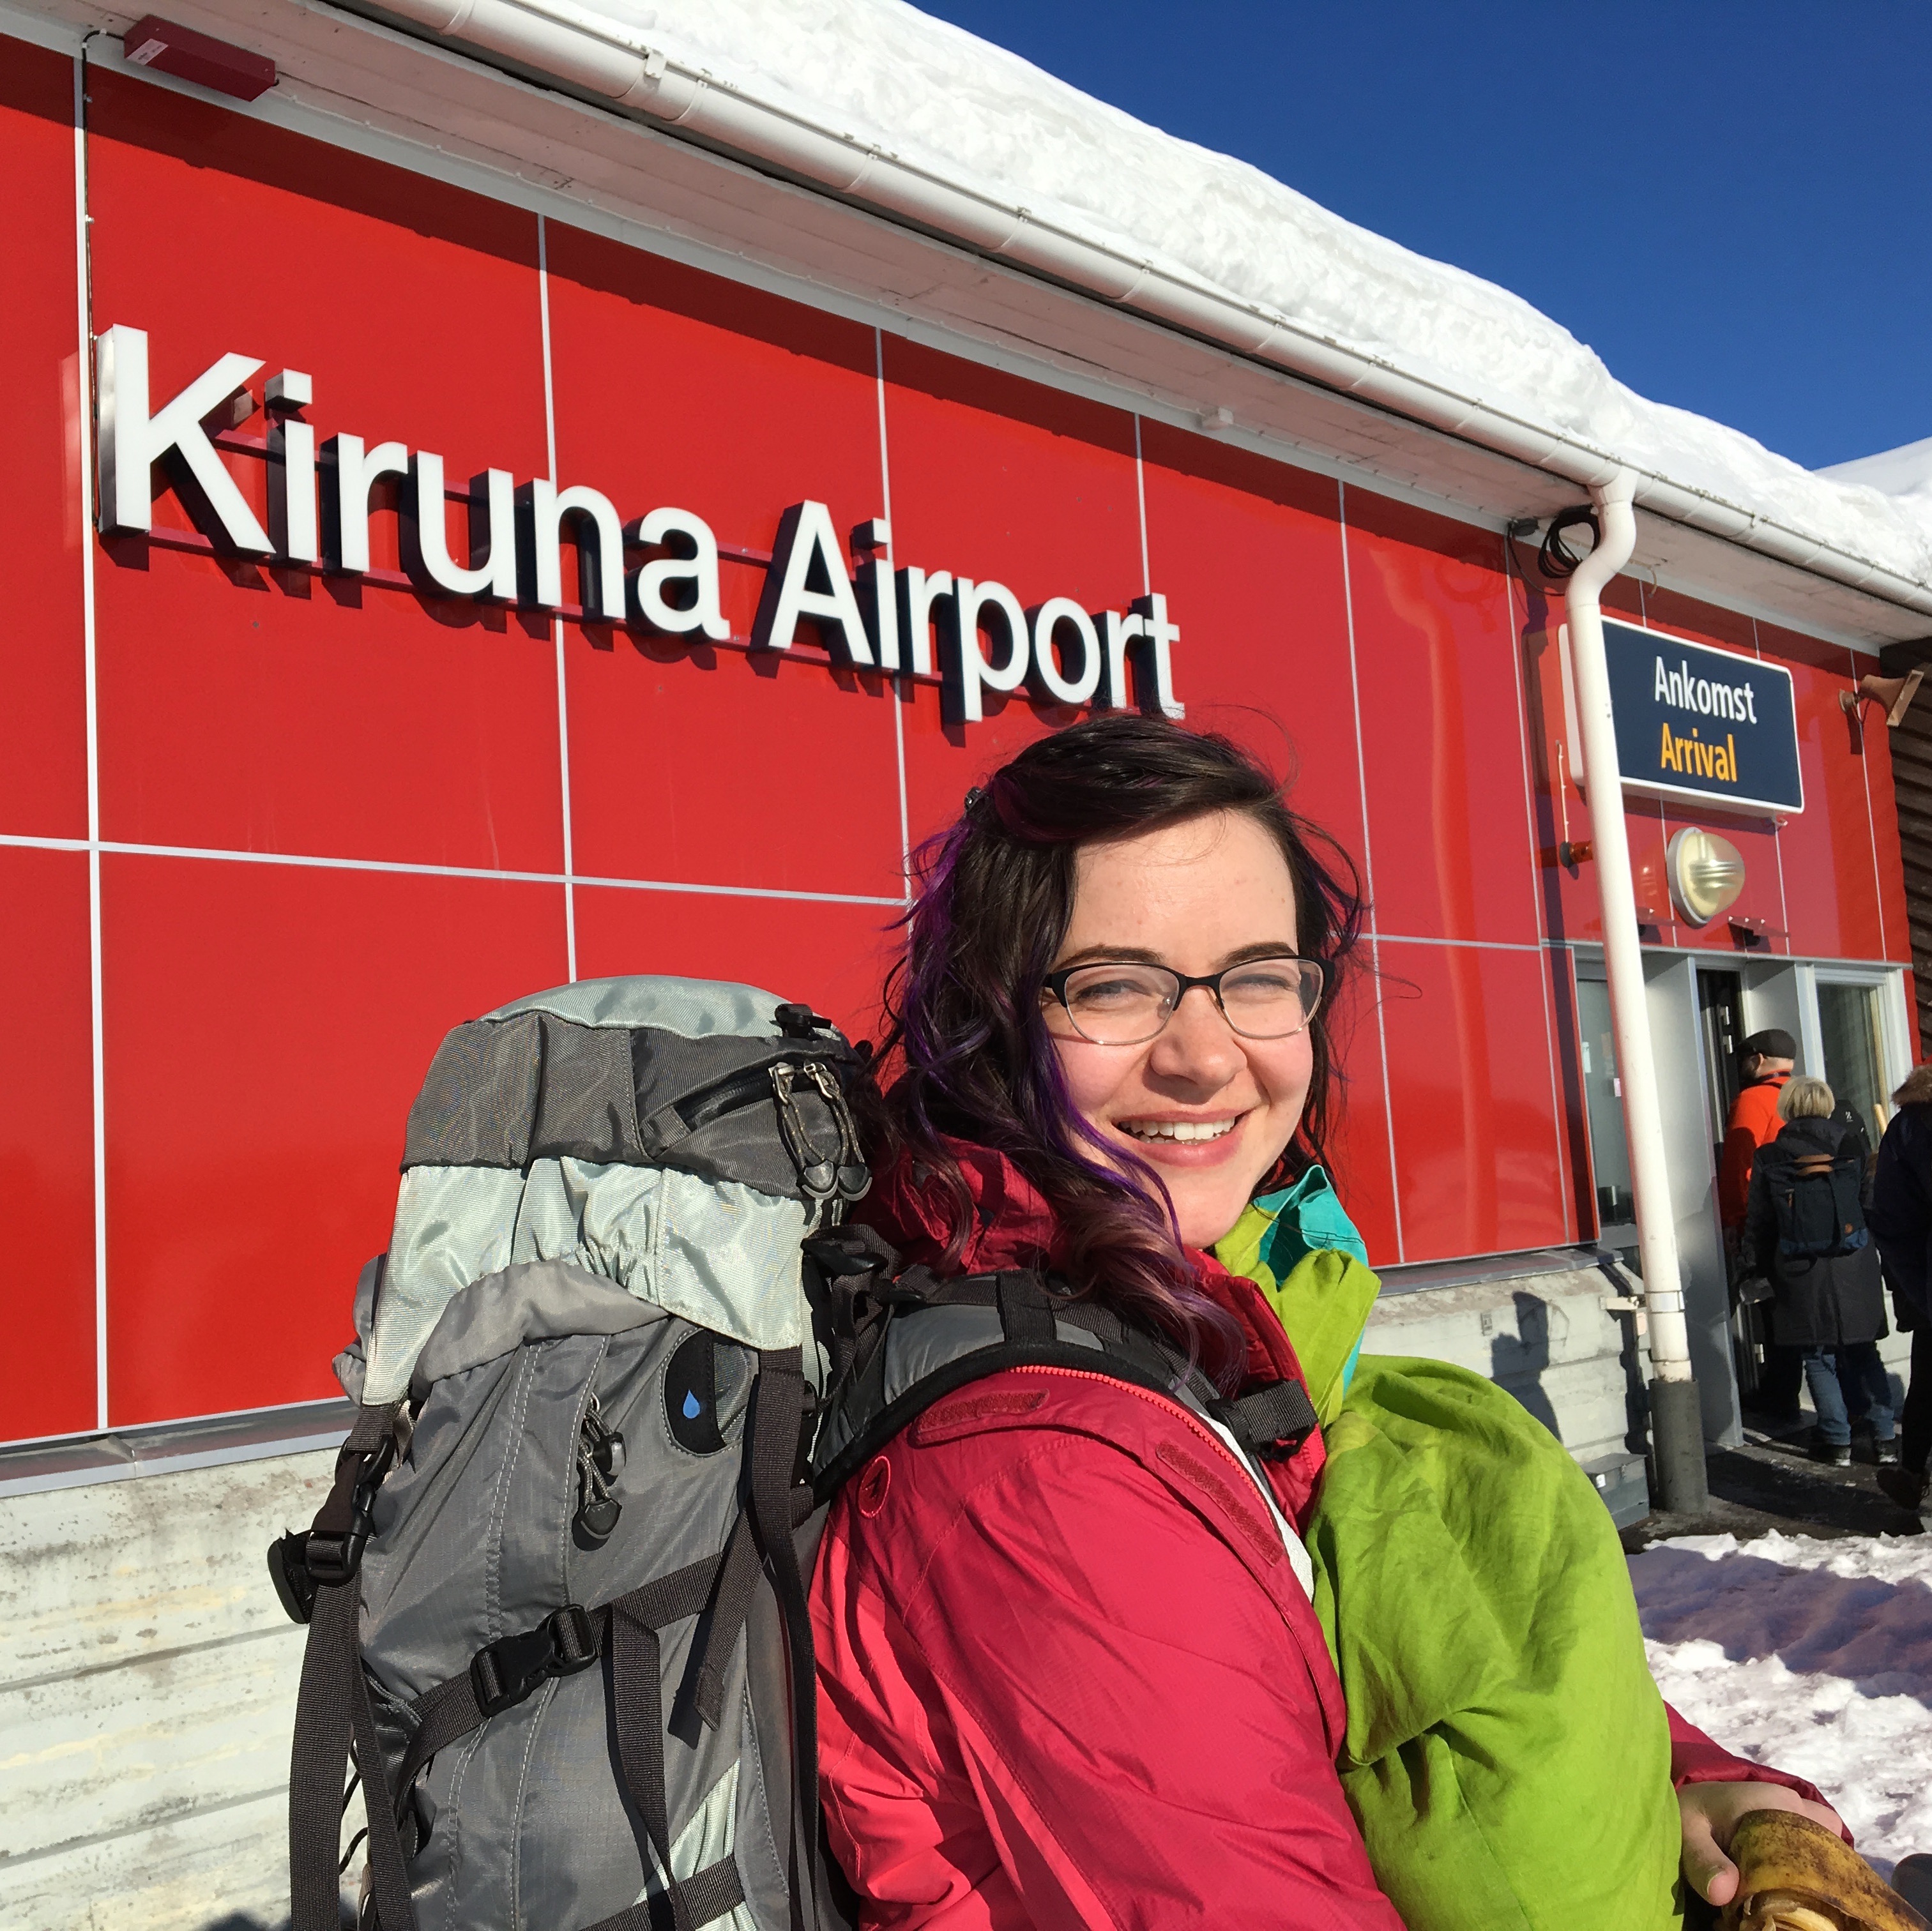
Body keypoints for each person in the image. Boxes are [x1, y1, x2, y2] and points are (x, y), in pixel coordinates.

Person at [814, 714, 1841, 1930]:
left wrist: (1680, 1775)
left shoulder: (1209, 1305)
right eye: (1115, 984)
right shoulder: (1043, 1466)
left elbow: (1383, 1654)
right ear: (987, 1022)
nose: (1206, 1055)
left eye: (1255, 975)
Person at [1742, 1075, 1895, 1467]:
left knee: (1817, 1356)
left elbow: (1760, 1220)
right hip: (1854, 1263)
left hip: (1798, 1268)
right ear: (1827, 1105)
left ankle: (1837, 1441)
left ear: (1787, 1108)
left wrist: (1754, 1267)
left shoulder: (1771, 1155)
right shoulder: (1853, 1147)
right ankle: (1885, 1439)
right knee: (1865, 1352)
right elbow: (1871, 1205)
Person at [1721, 1027, 1801, 1423]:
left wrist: (1735, 1219)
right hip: (1804, 1220)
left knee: (1772, 1311)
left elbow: (1740, 1161)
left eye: (1745, 1058)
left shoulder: (1753, 1100)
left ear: (1758, 1060)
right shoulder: (1804, 1097)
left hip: (1768, 1220)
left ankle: (1778, 1393)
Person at [1869, 1064, 1932, 1511]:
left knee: (1927, 1380)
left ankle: (1911, 1472)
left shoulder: (1910, 1125)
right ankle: (1909, 1473)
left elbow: (1891, 1221)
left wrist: (1918, 1287)